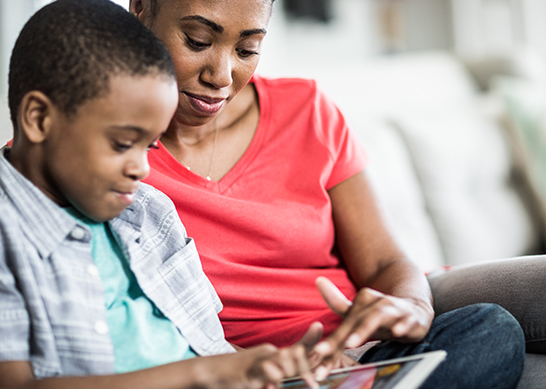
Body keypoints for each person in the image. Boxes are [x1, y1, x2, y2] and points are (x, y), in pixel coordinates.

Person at [131, 1, 526, 388]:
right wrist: (271, 367)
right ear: (141, 8)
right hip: (251, 374)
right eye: (197, 41)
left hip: (363, 357)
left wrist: (412, 307)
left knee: (490, 329)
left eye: (247, 49)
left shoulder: (306, 110)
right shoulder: (112, 153)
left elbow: (384, 262)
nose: (222, 75)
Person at [0, 1, 325, 388]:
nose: (143, 168)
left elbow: (211, 349)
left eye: (150, 146)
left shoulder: (149, 212)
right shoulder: (9, 235)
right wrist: (202, 375)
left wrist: (275, 368)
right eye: (123, 144)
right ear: (39, 119)